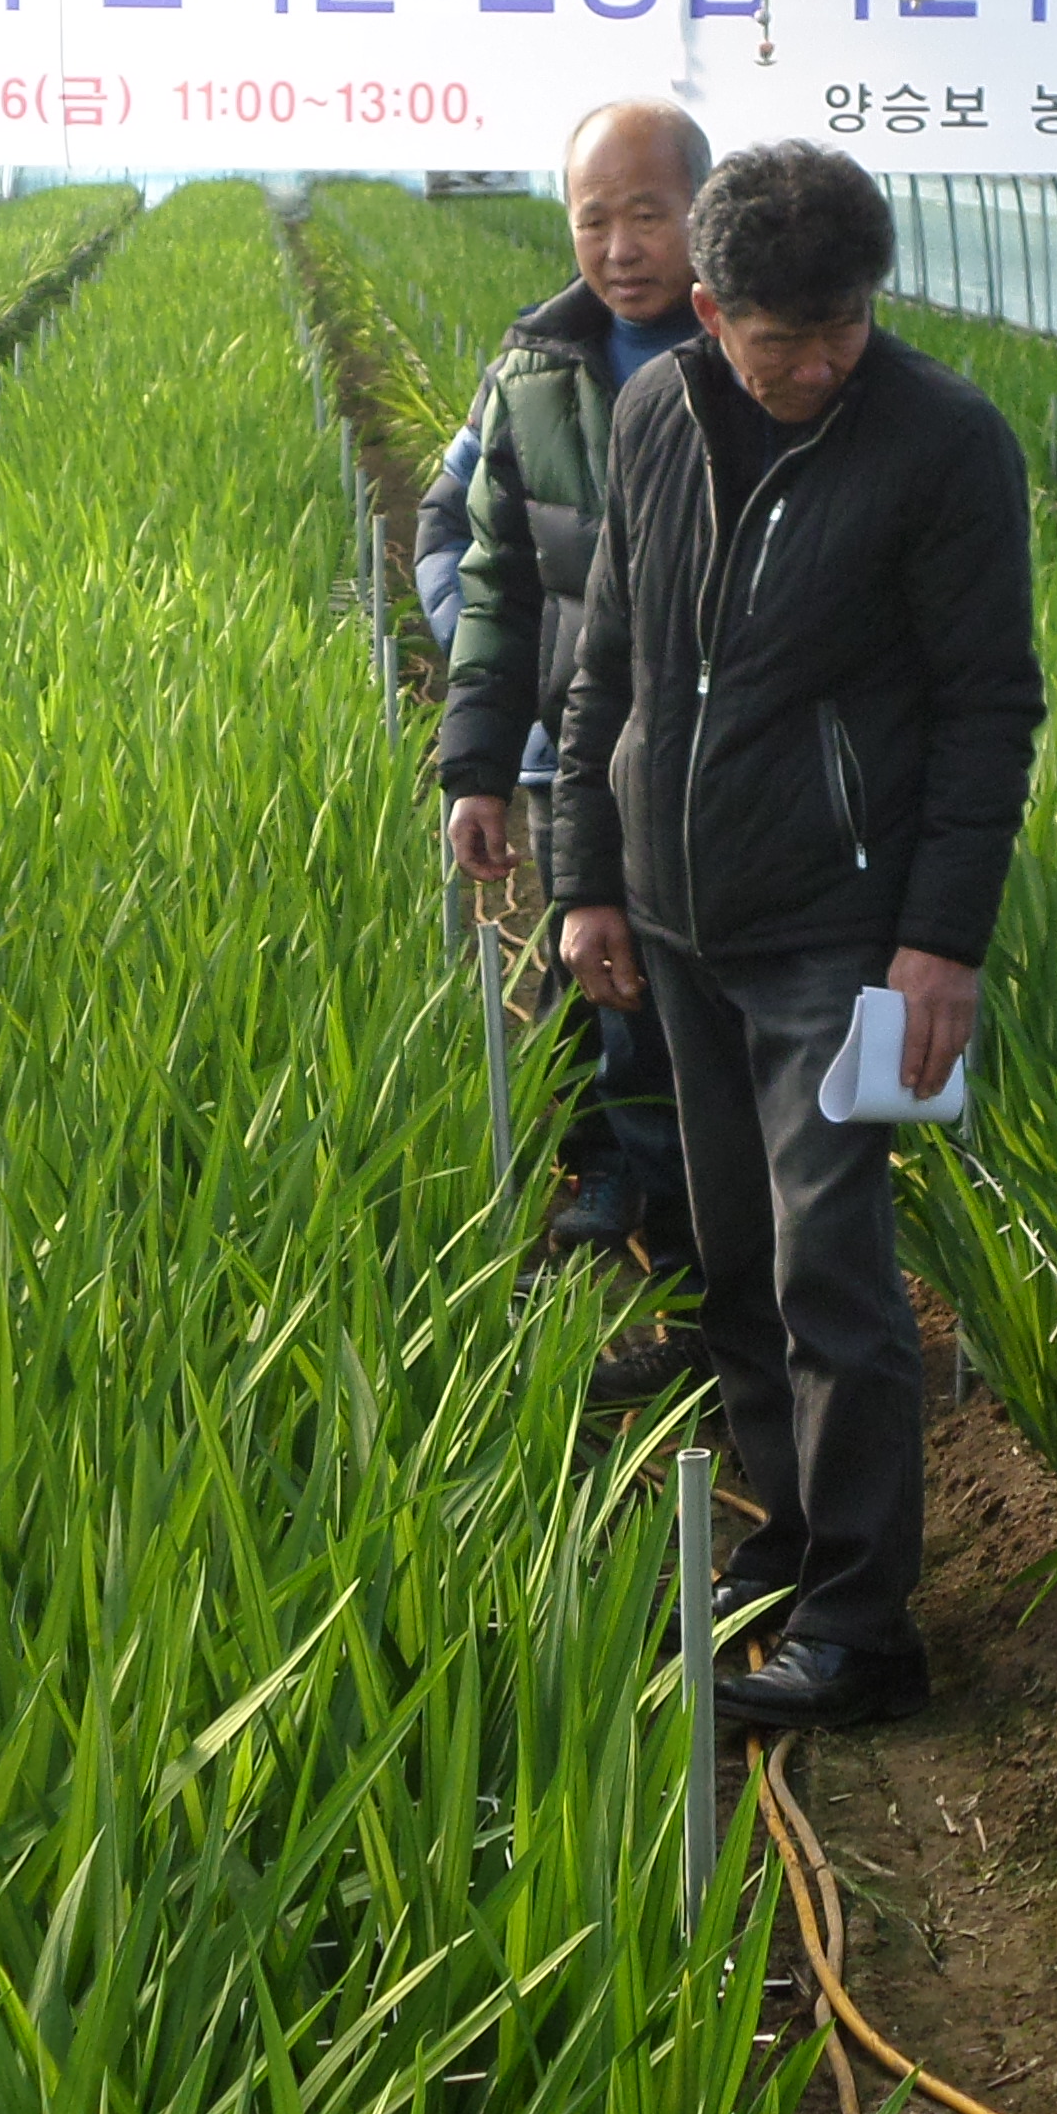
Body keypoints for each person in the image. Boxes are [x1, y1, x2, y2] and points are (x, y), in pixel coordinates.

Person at [554, 144, 1043, 1735]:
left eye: (846, 330)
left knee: (838, 1277)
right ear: (712, 312)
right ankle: (786, 1536)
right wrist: (590, 874)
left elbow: (988, 708)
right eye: (784, 340)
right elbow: (614, 650)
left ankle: (863, 1633)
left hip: (837, 934)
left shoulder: (943, 443)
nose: (822, 364)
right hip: (684, 915)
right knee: (738, 1256)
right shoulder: (650, 415)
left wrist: (940, 942)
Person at [436, 105, 707, 1288]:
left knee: (691, 1005)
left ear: (705, 208)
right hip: (577, 752)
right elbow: (495, 580)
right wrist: (478, 765)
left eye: (648, 214)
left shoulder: (753, 358)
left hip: (714, 762)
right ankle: (617, 1173)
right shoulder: (534, 373)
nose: (620, 245)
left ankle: (702, 1246)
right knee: (600, 973)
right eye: (594, 219)